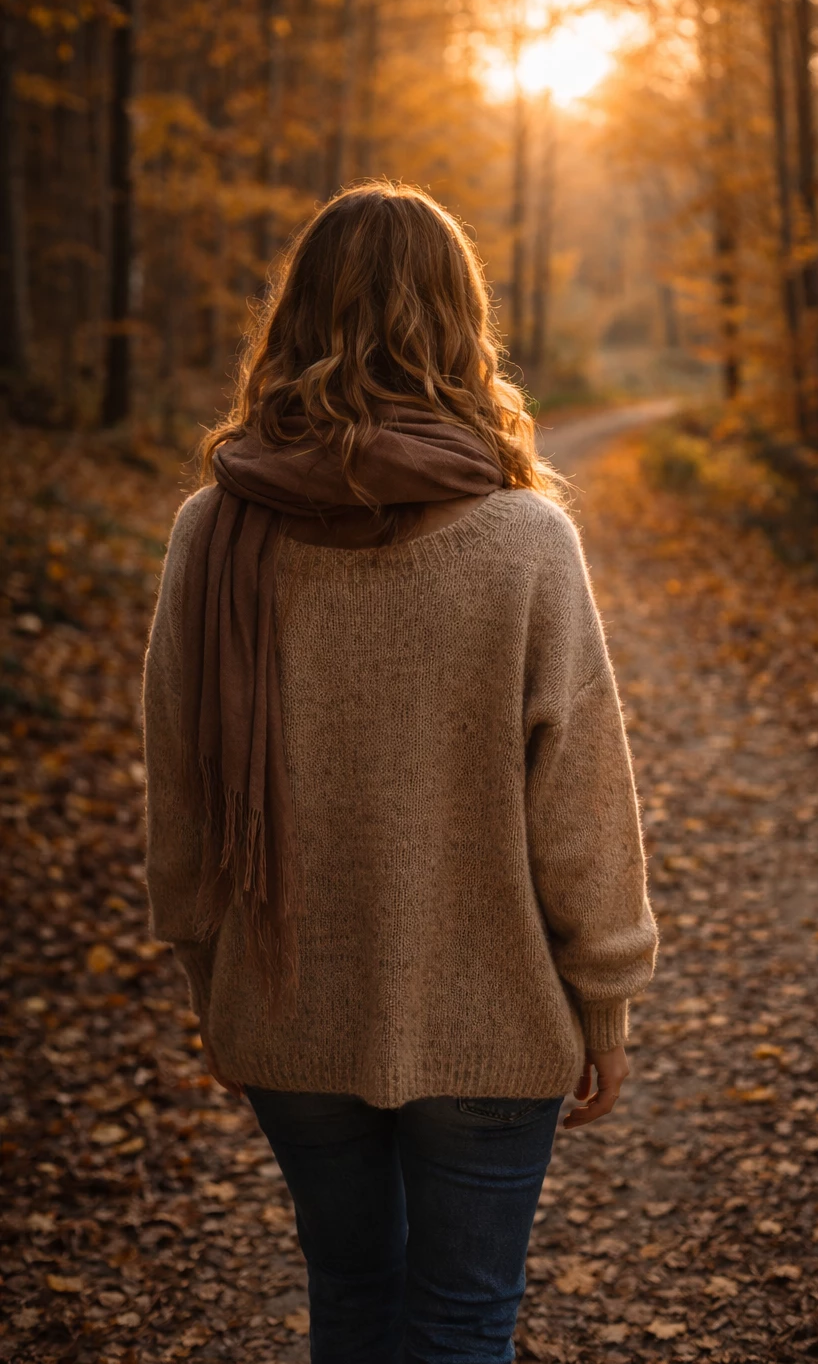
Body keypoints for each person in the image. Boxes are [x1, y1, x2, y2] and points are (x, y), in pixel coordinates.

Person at [143, 181, 657, 1364]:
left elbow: (177, 793)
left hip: (286, 1002)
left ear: (295, 319)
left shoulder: (212, 531)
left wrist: (209, 976)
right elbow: (581, 802)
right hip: (494, 1017)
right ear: (461, 326)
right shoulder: (525, 539)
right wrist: (605, 1000)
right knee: (463, 1319)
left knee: (351, 1300)